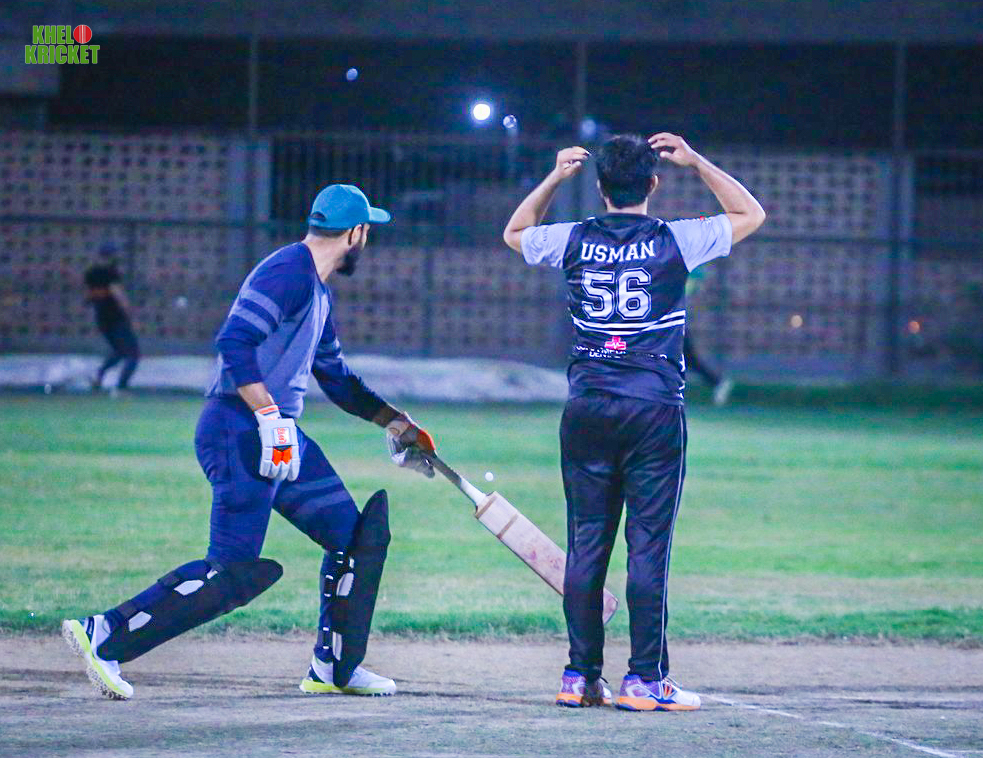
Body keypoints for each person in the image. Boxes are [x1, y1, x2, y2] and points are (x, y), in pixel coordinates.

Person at [63, 184, 437, 700]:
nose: (366, 240)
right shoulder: (288, 271)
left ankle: (335, 668)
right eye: (367, 231)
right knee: (232, 569)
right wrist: (266, 413)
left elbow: (338, 380)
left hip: (276, 434)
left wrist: (398, 425)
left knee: (355, 540)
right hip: (237, 429)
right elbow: (234, 341)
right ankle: (104, 633)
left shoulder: (317, 291)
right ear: (356, 233)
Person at [503, 133, 765, 711]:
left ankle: (579, 676)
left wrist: (554, 178)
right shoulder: (677, 238)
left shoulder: (573, 237)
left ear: (600, 187)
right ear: (653, 183)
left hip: (588, 406)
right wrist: (697, 161)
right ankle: (645, 679)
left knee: (586, 546)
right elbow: (750, 213)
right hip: (653, 409)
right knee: (647, 547)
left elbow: (515, 232)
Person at [84, 242, 140, 392]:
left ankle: (99, 374)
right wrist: (131, 316)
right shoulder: (110, 273)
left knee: (120, 351)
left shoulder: (91, 273)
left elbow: (89, 296)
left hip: (102, 319)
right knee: (133, 354)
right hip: (116, 318)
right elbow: (118, 295)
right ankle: (122, 386)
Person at [684, 267, 734, 406]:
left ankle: (717, 382)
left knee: (688, 359)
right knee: (688, 359)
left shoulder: (687, 272)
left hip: (674, 325)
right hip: (673, 324)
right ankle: (717, 382)